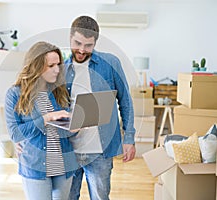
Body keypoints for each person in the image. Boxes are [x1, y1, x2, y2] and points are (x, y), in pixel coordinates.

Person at [65, 16, 136, 200]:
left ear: (95, 42)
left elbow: (125, 101)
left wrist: (129, 138)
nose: (82, 50)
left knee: (100, 197)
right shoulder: (60, 69)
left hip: (100, 151)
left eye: (88, 45)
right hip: (69, 148)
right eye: (77, 43)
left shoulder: (110, 63)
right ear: (70, 37)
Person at [4, 41, 78, 200]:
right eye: (51, 66)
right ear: (36, 66)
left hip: (63, 163)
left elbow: (63, 129)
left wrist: (75, 126)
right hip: (35, 165)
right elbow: (16, 134)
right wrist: (47, 117)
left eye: (58, 64)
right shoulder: (15, 94)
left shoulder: (59, 91)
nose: (57, 70)